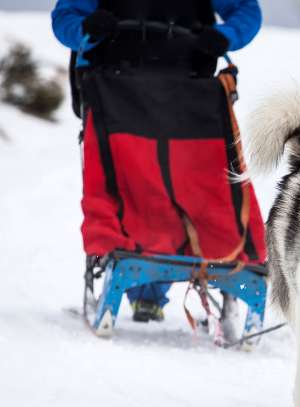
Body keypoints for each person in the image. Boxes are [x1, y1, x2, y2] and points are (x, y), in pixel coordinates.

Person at [51, 0, 262, 322]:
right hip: (116, 85)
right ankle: (144, 287)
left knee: (195, 183)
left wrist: (225, 35)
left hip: (188, 85)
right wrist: (86, 29)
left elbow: (245, 10)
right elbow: (66, 16)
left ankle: (174, 274)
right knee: (132, 184)